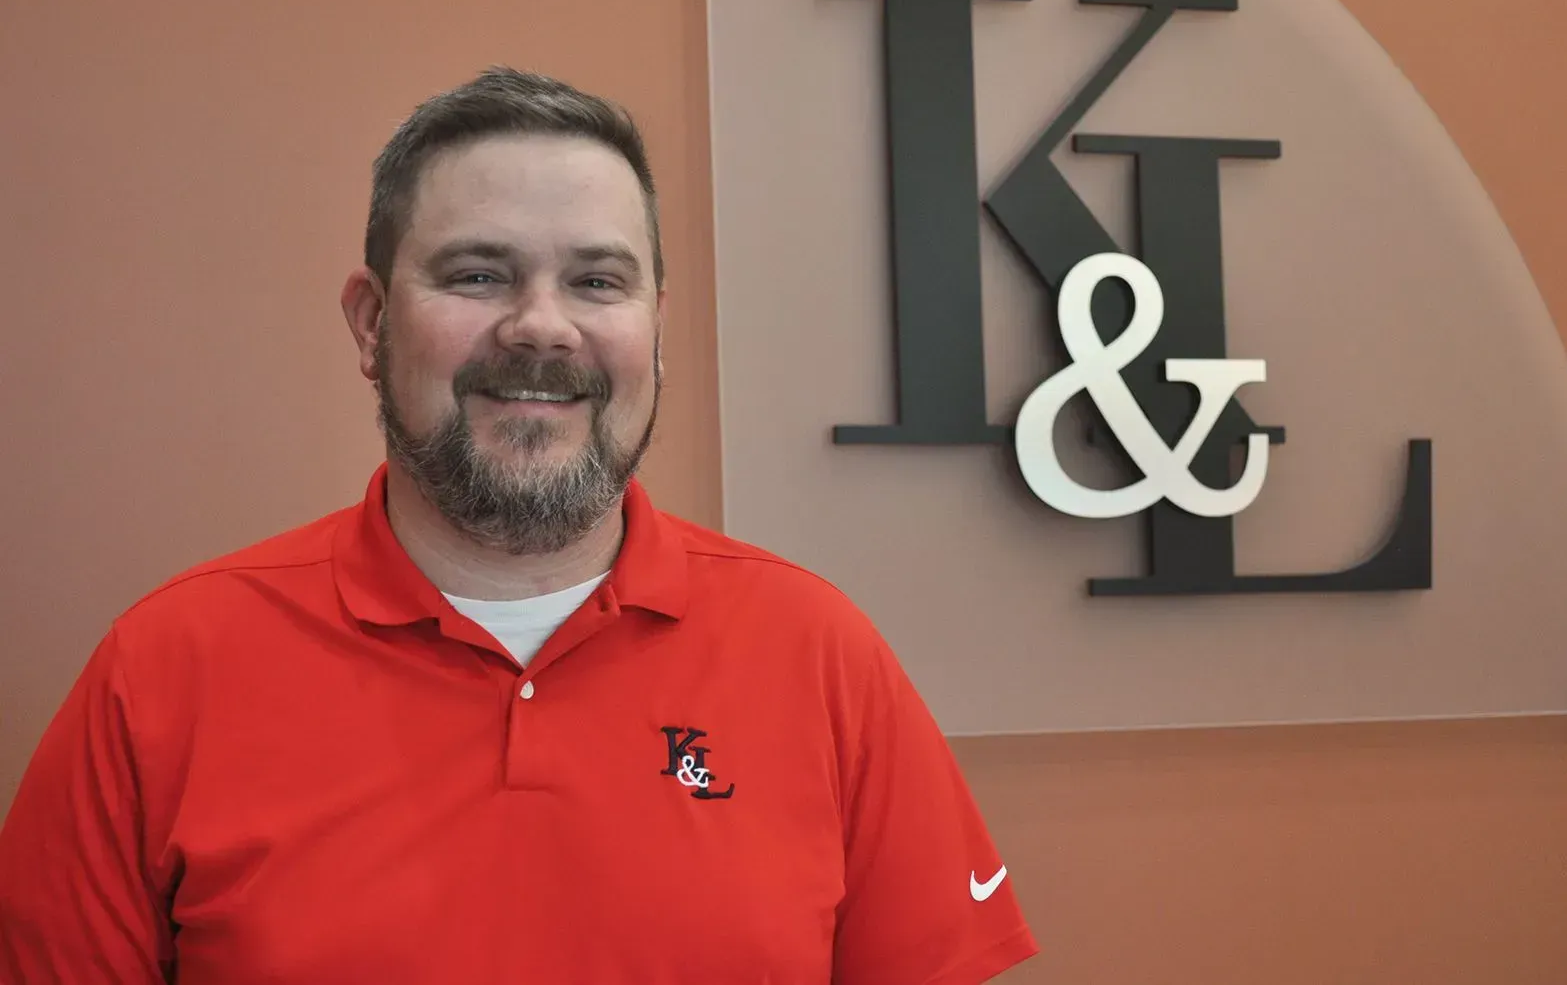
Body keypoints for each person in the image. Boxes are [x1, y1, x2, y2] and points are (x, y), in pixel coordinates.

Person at [0, 68, 1038, 983]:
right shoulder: (163, 671)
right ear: (372, 323)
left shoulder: (821, 656)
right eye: (477, 274)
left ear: (655, 329)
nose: (542, 324)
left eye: (596, 280)